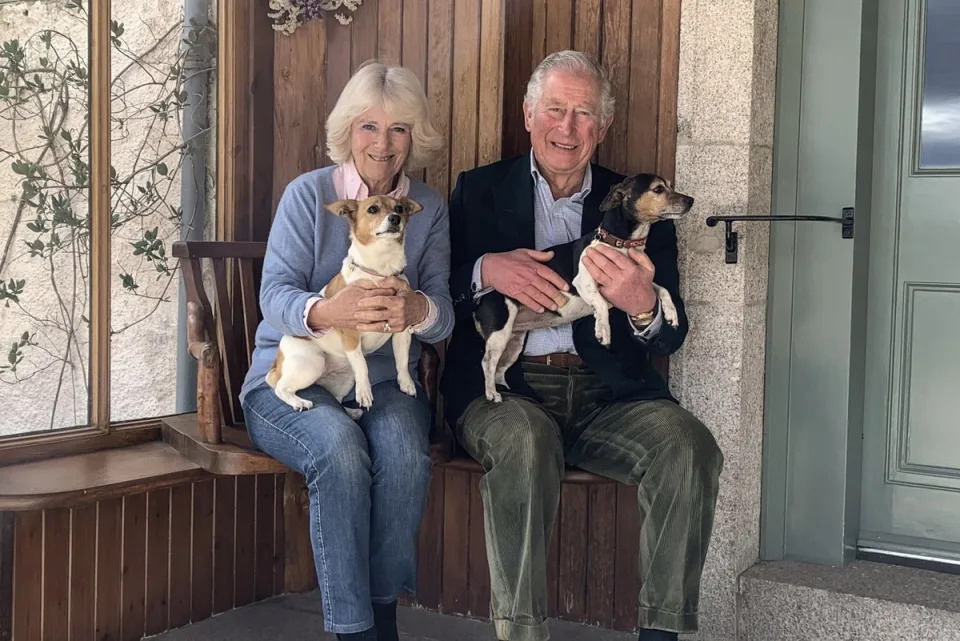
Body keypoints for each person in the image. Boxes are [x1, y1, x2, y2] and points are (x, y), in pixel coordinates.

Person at [439, 50, 723, 641]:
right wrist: (485, 269)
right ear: (527, 114)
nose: (567, 128)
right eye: (555, 110)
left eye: (584, 114)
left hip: (608, 397)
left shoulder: (636, 205)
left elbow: (673, 332)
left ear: (604, 126)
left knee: (688, 446)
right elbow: (432, 293)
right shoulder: (479, 190)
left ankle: (662, 632)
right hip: (509, 392)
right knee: (521, 441)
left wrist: (643, 305)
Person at [240, 61, 453, 641]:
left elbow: (443, 314)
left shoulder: (427, 207)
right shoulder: (308, 196)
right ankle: (354, 629)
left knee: (407, 453)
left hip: (383, 380)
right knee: (336, 449)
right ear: (347, 131)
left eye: (399, 129)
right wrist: (324, 311)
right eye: (368, 127)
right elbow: (273, 295)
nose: (382, 145)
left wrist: (420, 312)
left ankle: (382, 612)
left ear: (415, 137)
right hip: (292, 377)